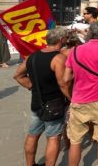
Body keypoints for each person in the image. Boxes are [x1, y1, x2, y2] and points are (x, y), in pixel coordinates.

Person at [63, 22, 98, 166]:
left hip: (79, 98)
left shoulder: (75, 50)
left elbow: (66, 78)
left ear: (90, 33)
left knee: (75, 140)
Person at [13, 28, 70, 166]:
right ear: (61, 40)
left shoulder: (32, 56)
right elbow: (63, 84)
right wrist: (72, 99)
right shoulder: (59, 58)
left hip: (37, 102)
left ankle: (30, 164)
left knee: (33, 134)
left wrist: (32, 87)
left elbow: (17, 75)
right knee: (54, 138)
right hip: (54, 103)